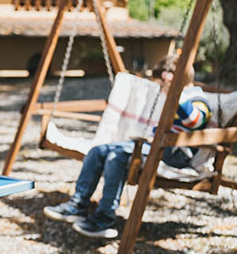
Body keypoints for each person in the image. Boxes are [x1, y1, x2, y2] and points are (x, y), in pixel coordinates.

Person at [43, 53, 211, 239]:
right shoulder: (174, 100)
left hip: (175, 153)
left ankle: (104, 218)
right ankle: (78, 204)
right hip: (156, 147)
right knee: (99, 149)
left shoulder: (197, 98)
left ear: (175, 79)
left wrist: (175, 93)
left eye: (162, 84)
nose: (161, 88)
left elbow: (195, 120)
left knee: (117, 156)